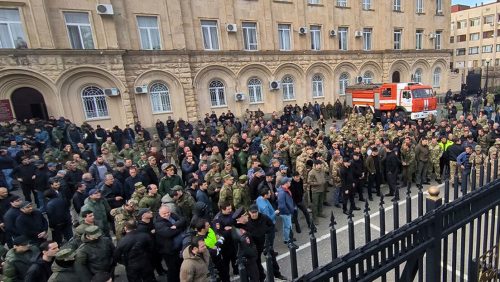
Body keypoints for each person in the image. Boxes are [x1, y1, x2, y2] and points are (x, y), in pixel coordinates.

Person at [155, 205, 187, 282]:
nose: (167, 214)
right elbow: (168, 233)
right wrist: (180, 228)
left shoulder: (172, 215)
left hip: (178, 248)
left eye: (168, 212)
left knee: (180, 266)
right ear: (160, 214)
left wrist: (176, 225)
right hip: (169, 251)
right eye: (164, 213)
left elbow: (183, 220)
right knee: (173, 270)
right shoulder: (158, 223)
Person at [277, 177, 295, 244]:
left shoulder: (283, 190)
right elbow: (282, 206)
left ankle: (286, 238)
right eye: (289, 182)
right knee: (288, 226)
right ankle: (288, 240)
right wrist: (288, 212)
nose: (290, 182)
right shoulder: (282, 192)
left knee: (286, 226)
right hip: (286, 213)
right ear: (285, 183)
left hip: (286, 212)